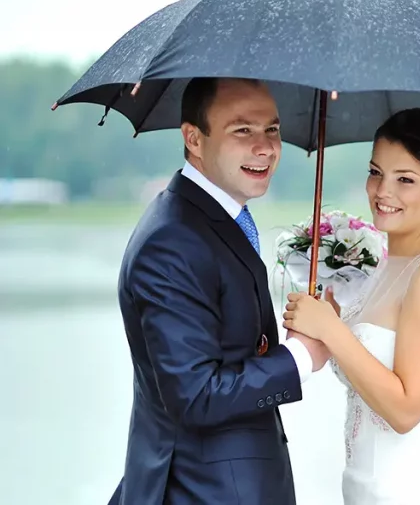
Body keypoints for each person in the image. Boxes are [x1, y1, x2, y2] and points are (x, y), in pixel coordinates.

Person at [107, 77, 330, 505]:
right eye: (243, 130)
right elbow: (195, 395)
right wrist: (302, 356)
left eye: (273, 130)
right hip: (203, 492)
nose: (265, 147)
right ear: (193, 138)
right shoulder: (172, 239)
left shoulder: (215, 219)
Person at [282, 108, 420, 504]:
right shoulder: (381, 269)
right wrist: (322, 331)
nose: (382, 191)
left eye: (404, 179)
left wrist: (332, 331)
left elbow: (406, 411)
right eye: (376, 172)